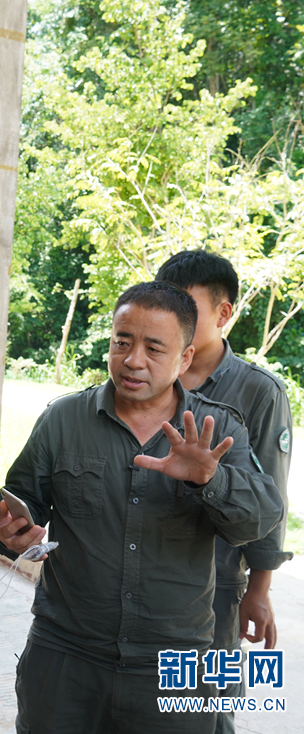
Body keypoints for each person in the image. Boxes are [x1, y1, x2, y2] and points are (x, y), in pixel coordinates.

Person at [0, 281, 283, 734]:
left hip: (176, 665)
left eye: (153, 347)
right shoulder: (63, 420)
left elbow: (259, 521)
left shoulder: (217, 428)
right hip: (66, 656)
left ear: (184, 358)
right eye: (122, 342)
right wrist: (9, 534)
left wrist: (211, 478)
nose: (133, 360)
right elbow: (17, 508)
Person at [156, 250, 293, 734]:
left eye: (190, 310)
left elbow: (269, 498)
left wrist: (259, 590)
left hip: (217, 584)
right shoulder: (147, 372)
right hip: (147, 574)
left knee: (203, 708)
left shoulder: (258, 391)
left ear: (224, 313)